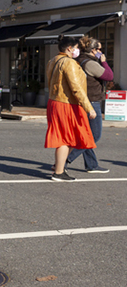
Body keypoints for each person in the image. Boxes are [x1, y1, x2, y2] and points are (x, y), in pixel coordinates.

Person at [45, 36, 97, 182]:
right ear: (69, 48)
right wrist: (89, 108)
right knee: (67, 138)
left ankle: (59, 167)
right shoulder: (69, 63)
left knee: (67, 136)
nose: (78, 50)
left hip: (55, 101)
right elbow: (76, 88)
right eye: (76, 47)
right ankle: (59, 172)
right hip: (67, 103)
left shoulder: (52, 61)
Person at [65, 36, 112, 173]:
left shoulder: (79, 60)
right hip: (91, 101)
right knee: (94, 136)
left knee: (86, 134)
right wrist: (104, 62)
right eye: (99, 50)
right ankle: (66, 160)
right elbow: (109, 76)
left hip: (82, 101)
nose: (101, 52)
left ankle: (91, 165)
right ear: (93, 50)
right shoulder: (90, 63)